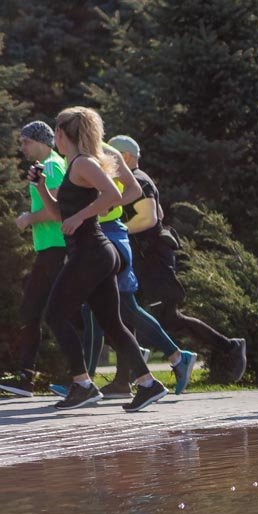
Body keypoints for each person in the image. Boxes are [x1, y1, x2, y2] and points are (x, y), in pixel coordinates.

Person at [38, 107, 167, 411]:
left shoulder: (84, 163)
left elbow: (112, 194)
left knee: (54, 315)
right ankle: (149, 384)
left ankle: (82, 384)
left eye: (56, 130)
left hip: (90, 251)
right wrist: (42, 187)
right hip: (93, 252)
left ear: (61, 133)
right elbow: (60, 214)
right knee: (113, 324)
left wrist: (81, 216)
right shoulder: (74, 165)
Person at [107, 135, 247, 384]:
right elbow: (159, 212)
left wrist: (118, 229)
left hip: (154, 260)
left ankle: (230, 347)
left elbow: (150, 217)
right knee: (127, 313)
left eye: (111, 157)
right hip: (144, 258)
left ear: (125, 157)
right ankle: (124, 378)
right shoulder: (135, 182)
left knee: (166, 318)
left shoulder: (138, 180)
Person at [71, 143, 198, 397]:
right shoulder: (81, 157)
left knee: (125, 308)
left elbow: (144, 203)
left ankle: (168, 359)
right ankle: (90, 378)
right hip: (101, 236)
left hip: (110, 236)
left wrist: (101, 207)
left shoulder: (102, 155)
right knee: (107, 310)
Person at [0, 122, 67, 397]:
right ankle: (25, 378)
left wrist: (28, 219)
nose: (22, 147)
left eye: (25, 141)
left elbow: (56, 210)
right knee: (31, 310)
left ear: (41, 141)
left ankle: (79, 377)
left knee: (64, 314)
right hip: (48, 248)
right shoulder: (47, 165)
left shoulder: (51, 167)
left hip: (57, 247)